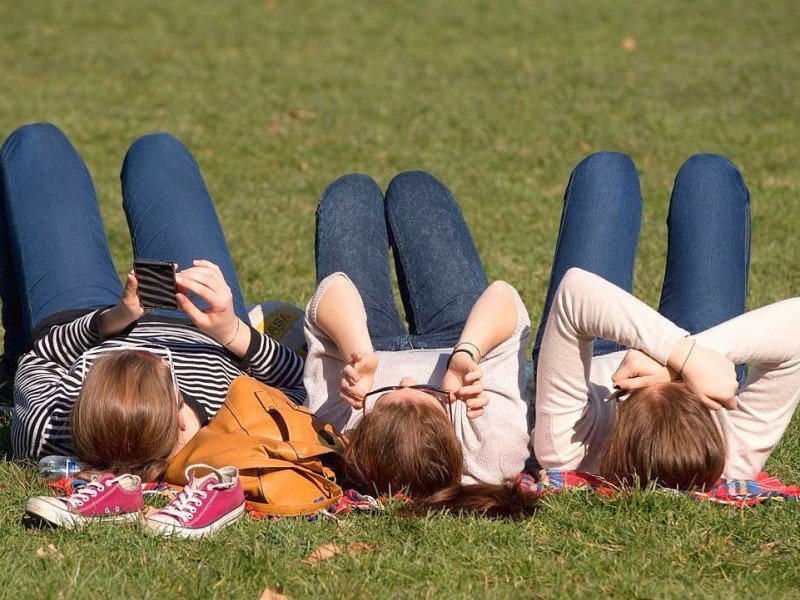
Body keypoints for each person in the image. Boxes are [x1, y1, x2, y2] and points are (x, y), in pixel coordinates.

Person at [1, 123, 305, 481]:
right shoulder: (233, 423)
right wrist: (233, 332)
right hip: (204, 324)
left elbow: (40, 357)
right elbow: (303, 386)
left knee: (35, 144)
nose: (149, 346)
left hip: (86, 325)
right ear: (180, 420)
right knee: (158, 151)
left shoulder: (49, 427)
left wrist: (113, 321)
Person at [532, 151, 800, 488]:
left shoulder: (569, 447)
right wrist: (682, 362)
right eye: (677, 388)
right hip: (704, 363)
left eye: (634, 392)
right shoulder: (733, 454)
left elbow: (577, 294)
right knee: (709, 176)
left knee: (604, 171)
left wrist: (675, 359)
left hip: (589, 358)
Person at [303, 171, 537, 516]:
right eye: (429, 397)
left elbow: (333, 289)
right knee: (416, 189)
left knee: (349, 194)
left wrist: (359, 354)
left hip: (370, 342)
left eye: (388, 395)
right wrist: (468, 352)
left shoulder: (338, 431)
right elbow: (505, 299)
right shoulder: (493, 455)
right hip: (456, 336)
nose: (408, 380)